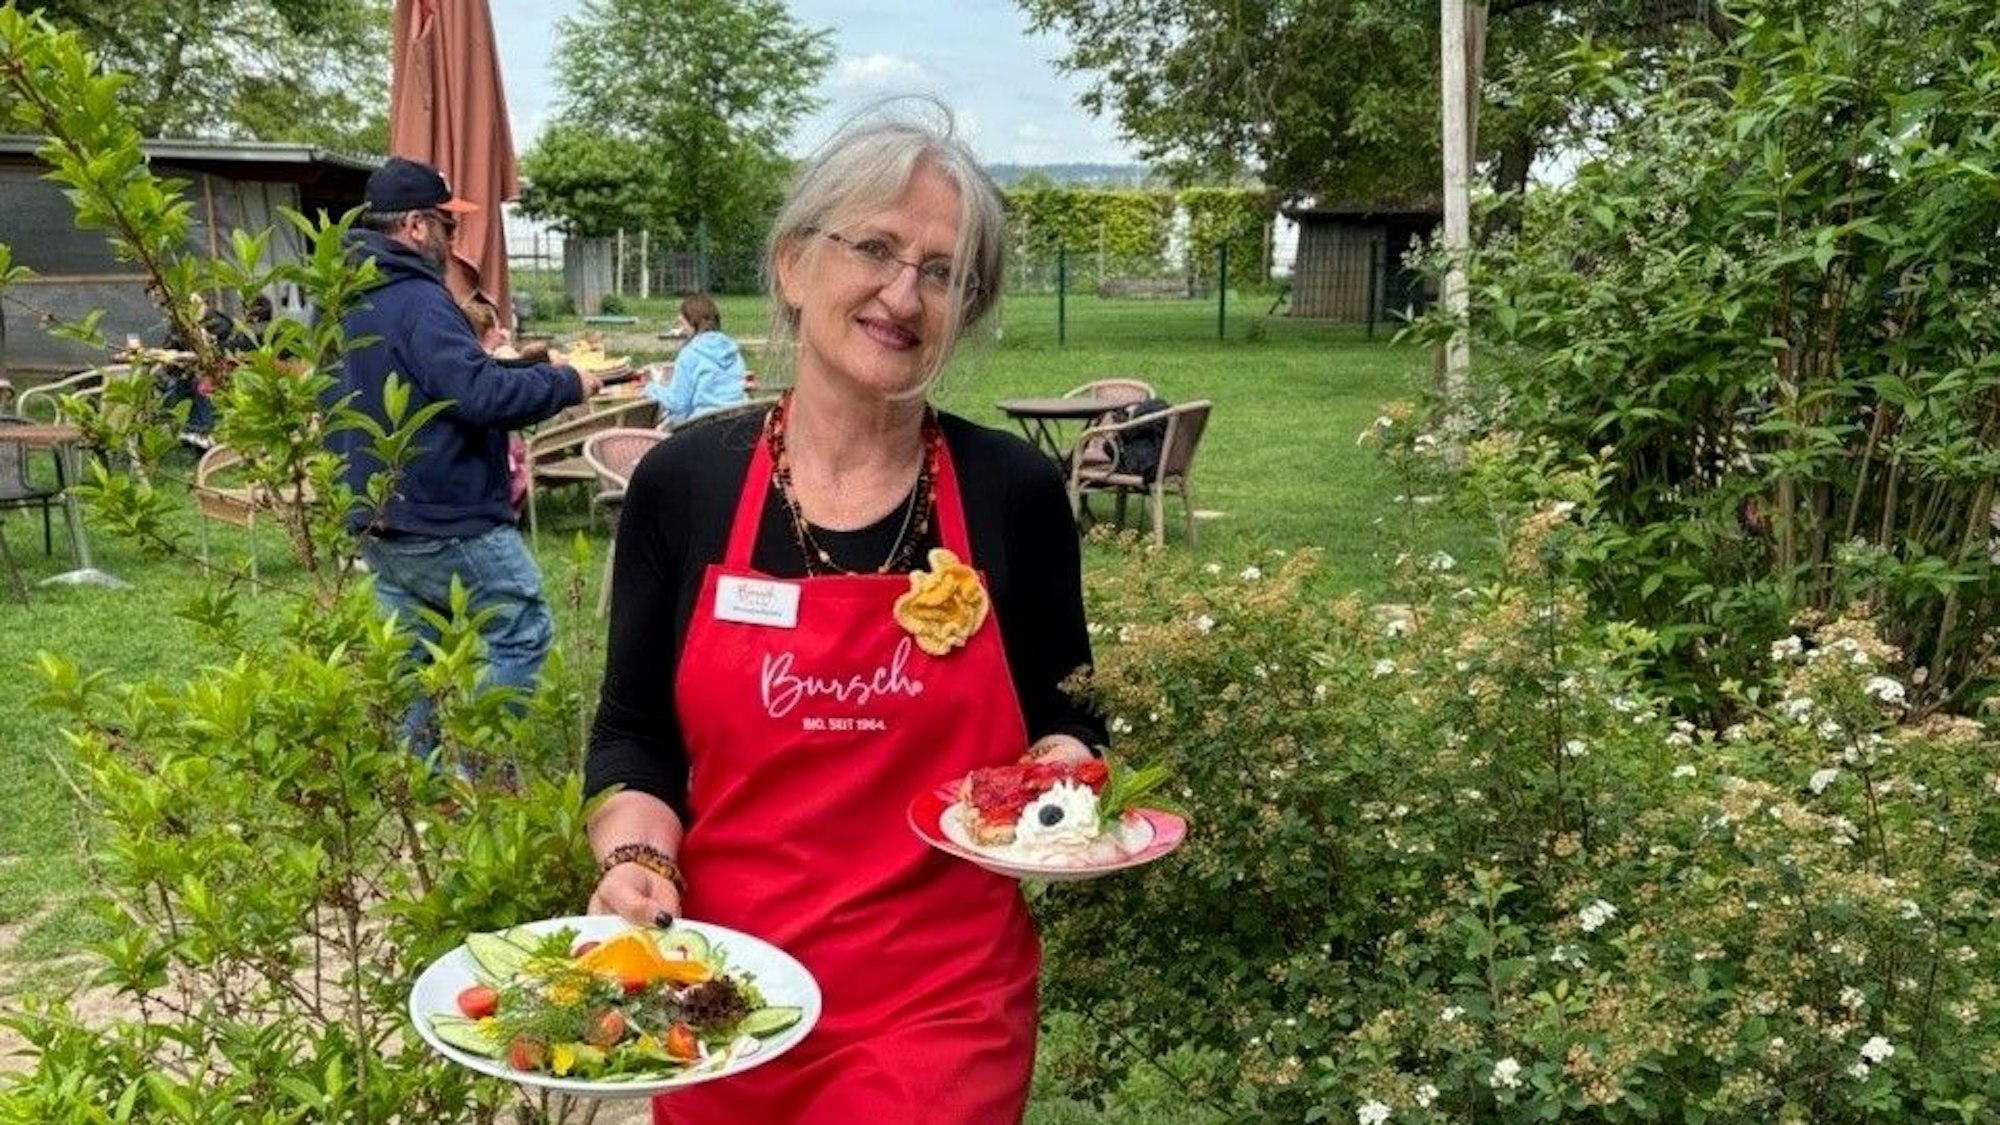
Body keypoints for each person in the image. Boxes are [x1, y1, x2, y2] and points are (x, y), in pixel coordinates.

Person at [583, 111, 1105, 1124]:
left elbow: (1071, 719)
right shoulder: (686, 484)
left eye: (945, 274)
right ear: (791, 264)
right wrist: (635, 864)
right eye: (874, 247)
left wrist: (1058, 787)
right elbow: (634, 734)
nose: (902, 295)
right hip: (725, 997)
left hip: (941, 1008)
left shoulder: (1010, 492)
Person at [328, 155, 602, 757]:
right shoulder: (418, 300)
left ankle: (421, 788)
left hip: (379, 513)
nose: (455, 240)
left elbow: (436, 380)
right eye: (448, 226)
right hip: (444, 514)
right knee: (522, 633)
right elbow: (479, 395)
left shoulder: (352, 297)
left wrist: (526, 367)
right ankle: (476, 769)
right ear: (417, 227)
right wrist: (569, 384)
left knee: (413, 656)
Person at [460, 297, 534, 524]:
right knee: (518, 457)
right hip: (500, 447)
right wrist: (506, 346)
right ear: (490, 331)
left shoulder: (462, 361)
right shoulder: (497, 360)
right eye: (497, 326)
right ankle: (515, 507)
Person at [642, 293, 748, 425]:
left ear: (693, 323)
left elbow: (678, 403)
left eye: (682, 323)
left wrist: (650, 388)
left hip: (704, 426)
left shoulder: (690, 353)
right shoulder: (733, 350)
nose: (681, 329)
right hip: (738, 422)